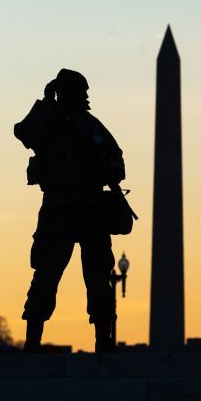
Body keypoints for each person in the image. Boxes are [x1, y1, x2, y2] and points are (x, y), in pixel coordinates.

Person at [14, 68, 126, 353]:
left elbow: (117, 162)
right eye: (78, 92)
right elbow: (23, 132)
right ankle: (33, 340)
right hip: (59, 209)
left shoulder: (91, 125)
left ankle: (103, 339)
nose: (83, 97)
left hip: (89, 209)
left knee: (98, 277)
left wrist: (100, 168)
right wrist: (44, 102)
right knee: (46, 275)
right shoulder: (48, 121)